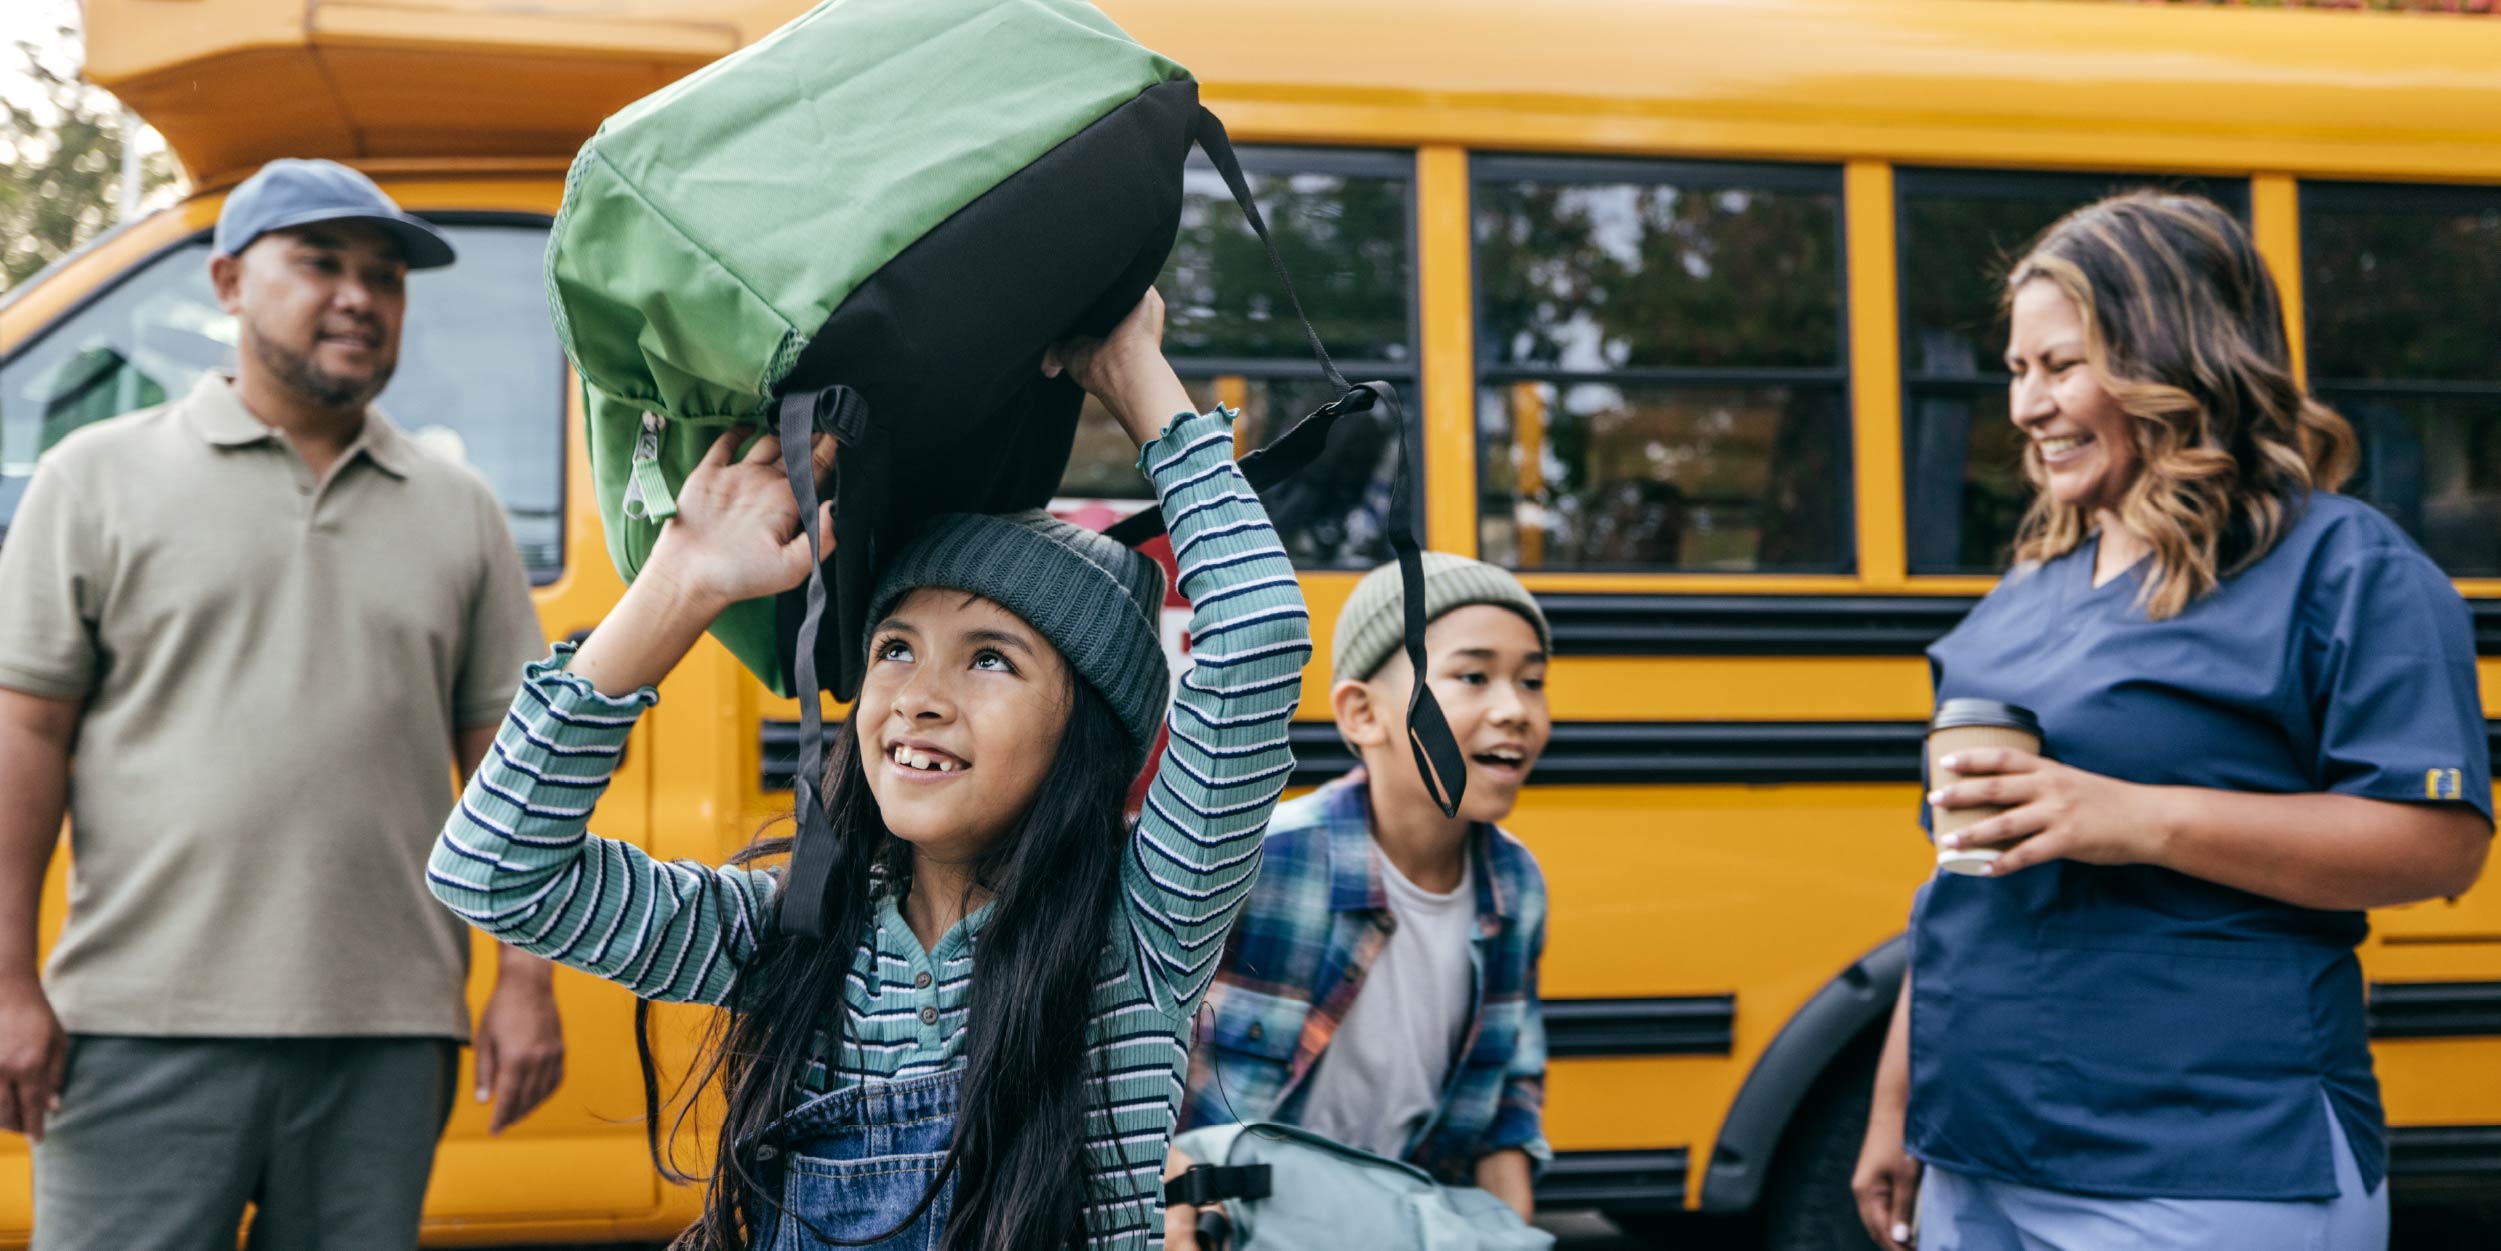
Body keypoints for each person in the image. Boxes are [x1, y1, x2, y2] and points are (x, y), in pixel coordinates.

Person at [426, 287, 1313, 1251]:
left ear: (1086, 730)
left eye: (989, 659)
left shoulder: (1141, 932)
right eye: (895, 648)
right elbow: (494, 869)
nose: (918, 696)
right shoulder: (786, 936)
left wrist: (1135, 376)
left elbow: (1257, 638)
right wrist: (680, 585)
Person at [1849, 191, 2492, 1251]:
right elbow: (1957, 880)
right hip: (1978, 1155)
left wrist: (2131, 819)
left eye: (2060, 367)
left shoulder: (2344, 567)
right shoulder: (2020, 596)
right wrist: (1897, 1101)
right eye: (2015, 371)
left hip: (2210, 1162)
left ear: (2172, 361)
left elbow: (2438, 845)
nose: (2025, 406)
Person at [0, 158, 563, 1248]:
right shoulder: (95, 478)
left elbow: (513, 767)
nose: (359, 296)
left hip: (388, 1039)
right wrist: (7, 982)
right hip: (135, 1029)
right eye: (319, 262)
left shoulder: (460, 511)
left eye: (385, 277)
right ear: (226, 281)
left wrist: (524, 982)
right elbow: (23, 734)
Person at [1164, 552, 1555, 1246]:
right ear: (1361, 712)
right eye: (1472, 675)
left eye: (1531, 681)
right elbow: (1114, 1053)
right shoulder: (1259, 862)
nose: (1514, 709)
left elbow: (1506, 1104)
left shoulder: (1515, 887)